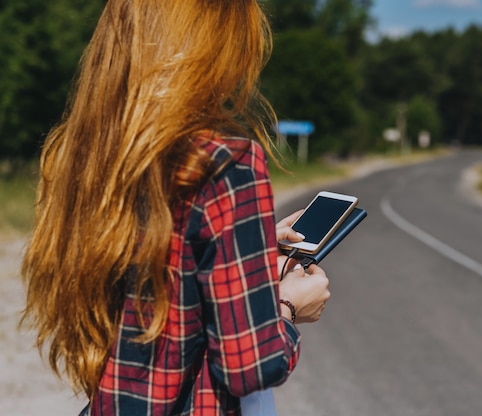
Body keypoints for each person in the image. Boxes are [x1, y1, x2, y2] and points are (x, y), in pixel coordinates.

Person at [20, 1, 331, 415]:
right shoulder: (226, 160)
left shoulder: (87, 156)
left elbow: (150, 264)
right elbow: (250, 367)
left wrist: (247, 247)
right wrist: (288, 307)